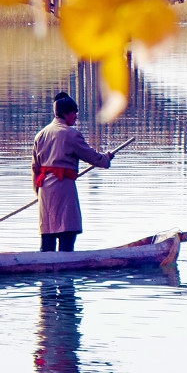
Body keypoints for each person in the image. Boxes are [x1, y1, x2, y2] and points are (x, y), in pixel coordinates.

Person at [32, 92, 114, 253]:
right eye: (74, 113)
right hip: (63, 189)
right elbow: (93, 157)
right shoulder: (71, 134)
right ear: (65, 114)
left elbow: (35, 168)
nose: (76, 116)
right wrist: (106, 159)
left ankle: (44, 269)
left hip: (45, 191)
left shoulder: (40, 135)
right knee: (66, 233)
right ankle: (66, 272)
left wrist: (38, 193)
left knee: (47, 237)